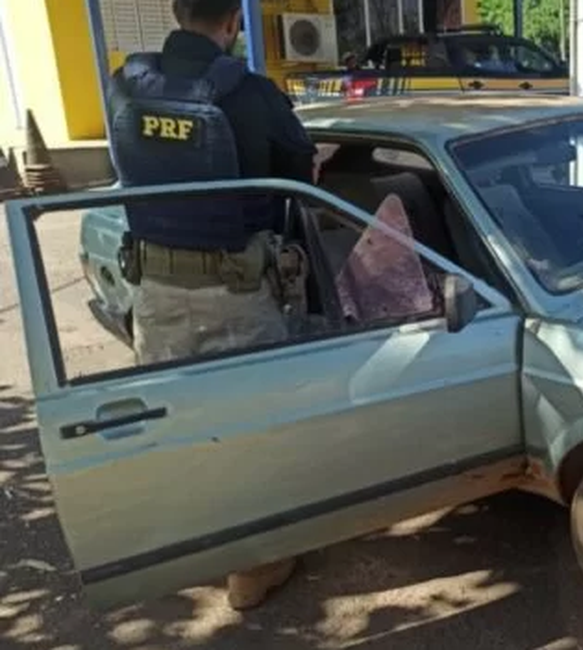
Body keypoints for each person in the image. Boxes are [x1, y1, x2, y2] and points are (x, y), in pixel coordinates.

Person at [106, 0, 316, 611]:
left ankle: (194, 548)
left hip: (152, 286)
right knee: (253, 432)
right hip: (238, 290)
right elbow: (302, 174)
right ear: (232, 23)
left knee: (176, 425)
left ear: (175, 12)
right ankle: (253, 569)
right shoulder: (251, 92)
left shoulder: (125, 85)